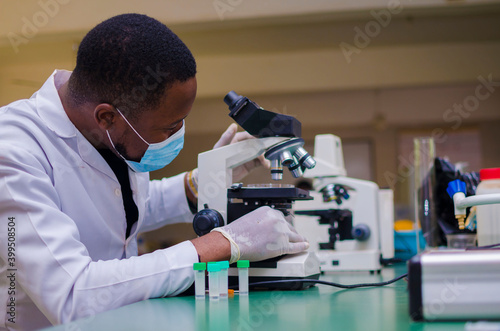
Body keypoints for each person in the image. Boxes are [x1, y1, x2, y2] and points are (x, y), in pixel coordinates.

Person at [0, 14, 309, 330]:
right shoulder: (12, 151)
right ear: (107, 117)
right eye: (170, 127)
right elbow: (73, 296)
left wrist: (203, 182)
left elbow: (122, 211)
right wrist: (223, 244)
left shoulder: (108, 133)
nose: (177, 135)